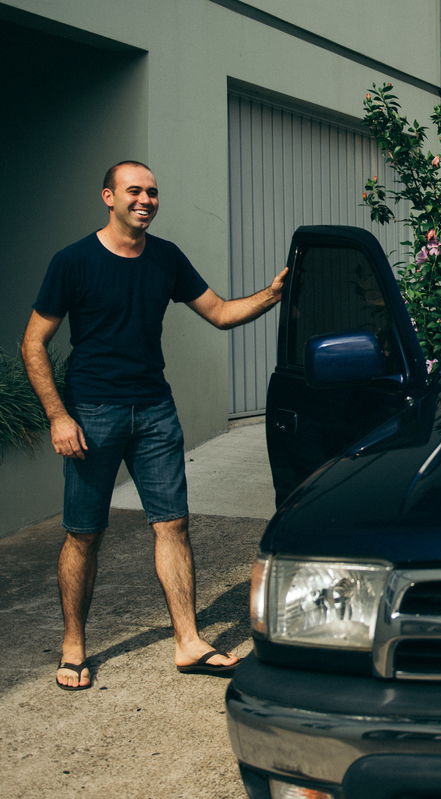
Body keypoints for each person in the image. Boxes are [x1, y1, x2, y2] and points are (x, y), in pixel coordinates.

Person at [21, 161, 287, 690]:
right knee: (83, 534)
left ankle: (187, 642)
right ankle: (74, 645)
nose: (146, 199)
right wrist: (58, 417)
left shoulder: (165, 257)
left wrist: (272, 294)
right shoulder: (72, 261)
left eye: (153, 192)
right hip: (92, 414)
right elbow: (33, 343)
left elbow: (219, 313)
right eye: (135, 191)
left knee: (173, 524)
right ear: (108, 196)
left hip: (155, 412)